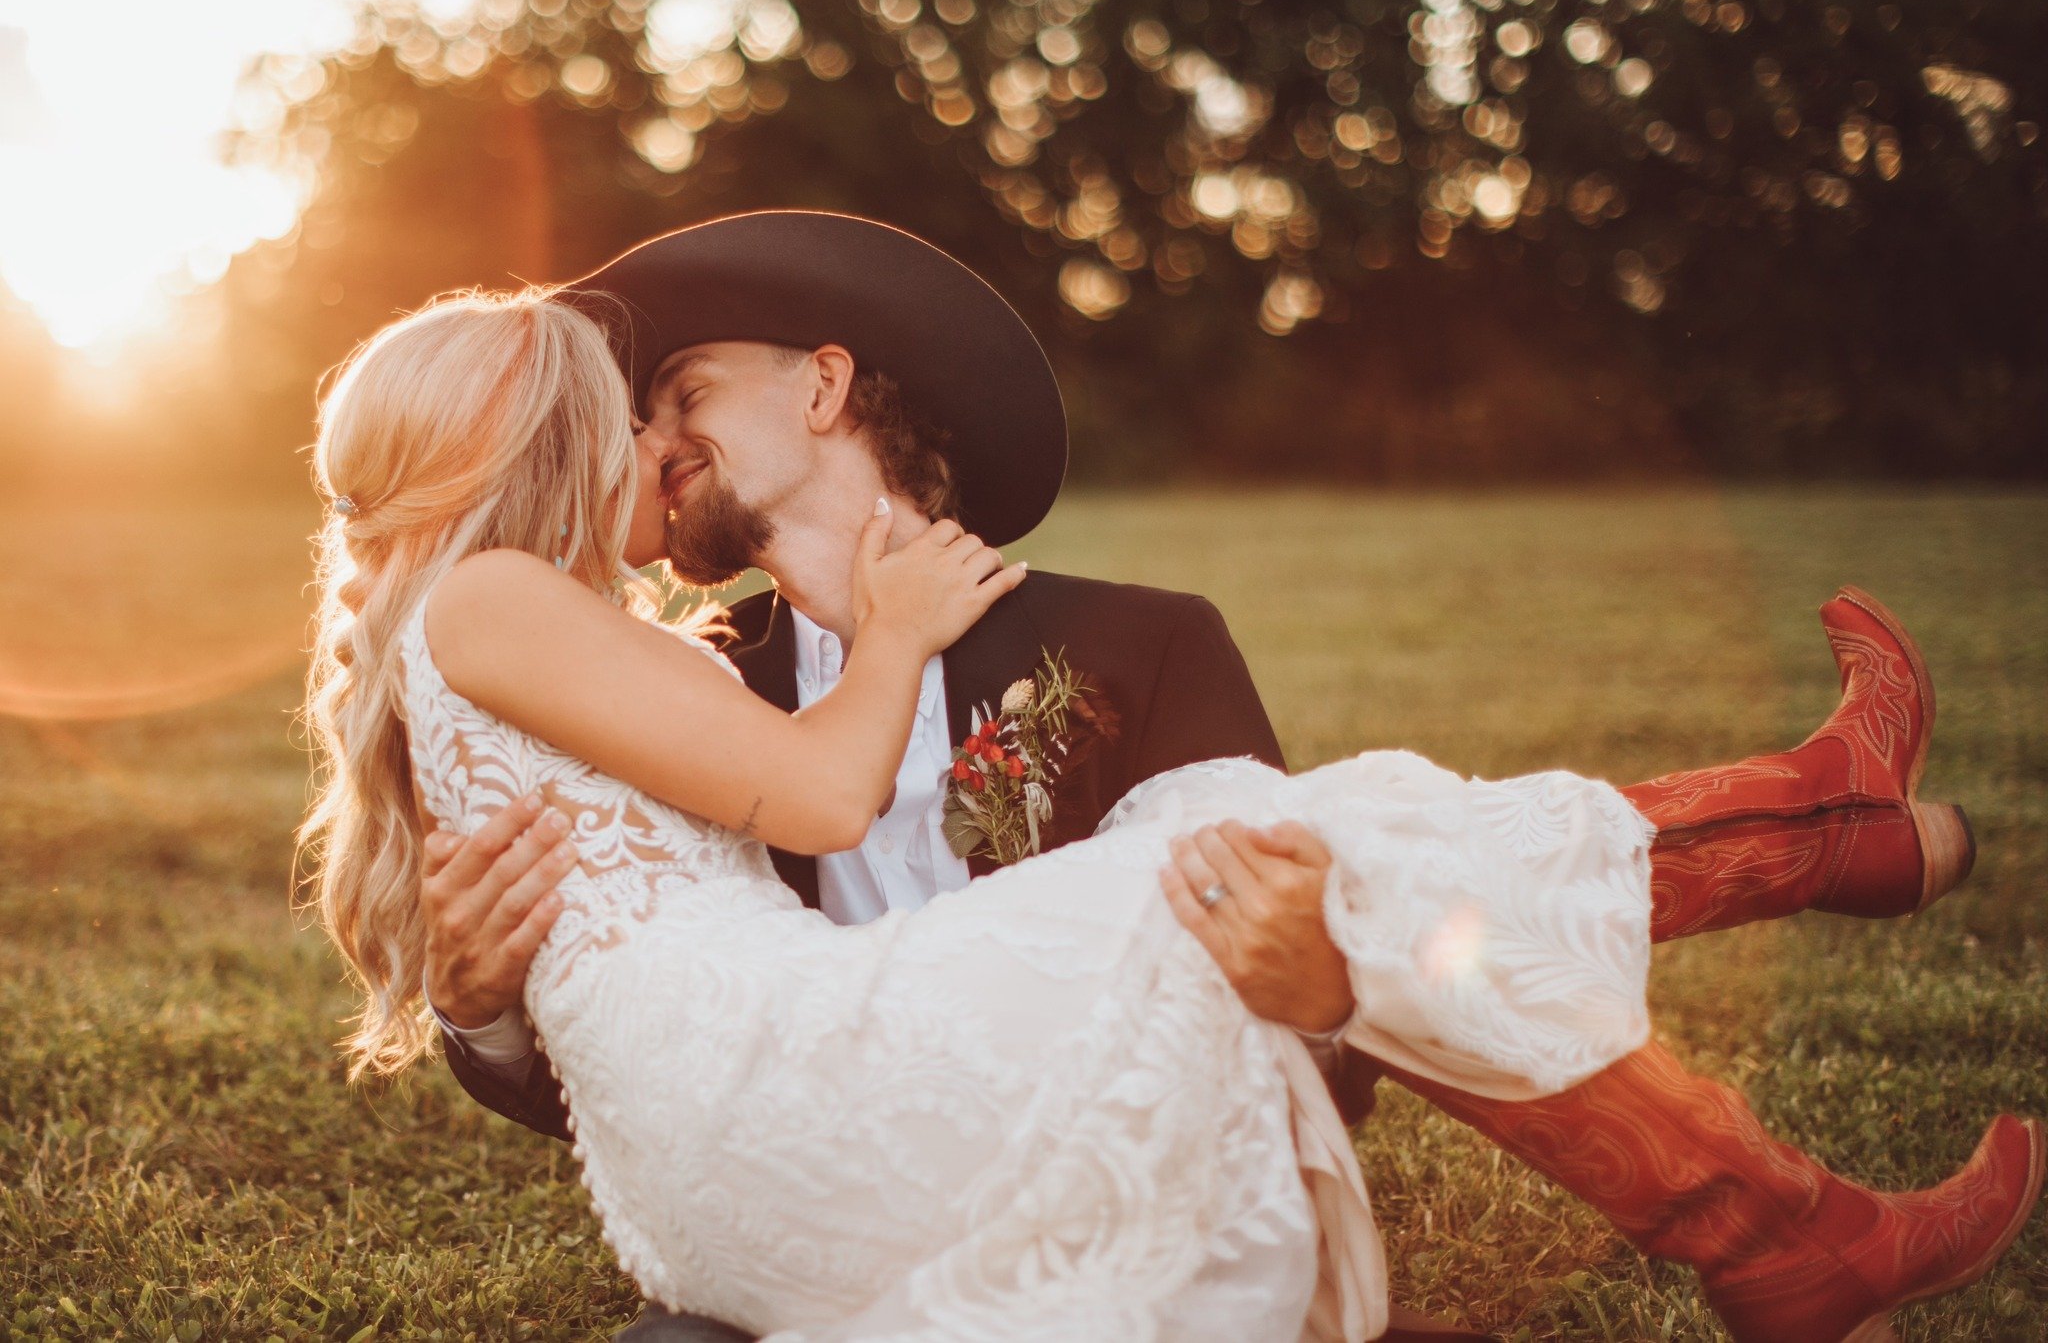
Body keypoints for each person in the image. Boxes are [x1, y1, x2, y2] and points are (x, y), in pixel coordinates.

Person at [300, 253, 2041, 1343]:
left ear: (823, 387)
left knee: (1305, 860)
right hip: (825, 1158)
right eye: (629, 411)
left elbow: (1291, 949)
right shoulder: (686, 678)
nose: (656, 441)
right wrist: (479, 999)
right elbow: (618, 1003)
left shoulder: (1136, 641)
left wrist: (1318, 971)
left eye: (685, 395)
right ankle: (1827, 840)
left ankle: (1816, 941)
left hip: (1040, 1127)